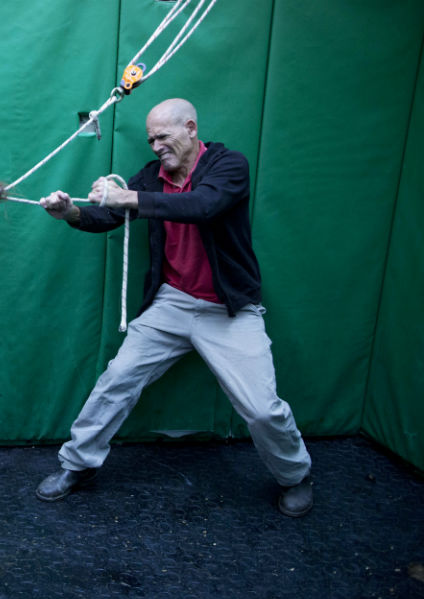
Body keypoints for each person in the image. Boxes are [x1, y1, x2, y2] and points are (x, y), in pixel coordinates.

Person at [36, 98, 313, 517]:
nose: (155, 146)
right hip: (172, 303)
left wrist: (127, 197)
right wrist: (71, 212)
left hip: (229, 310)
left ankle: (295, 476)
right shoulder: (151, 176)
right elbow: (109, 218)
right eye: (150, 139)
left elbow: (203, 206)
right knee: (117, 380)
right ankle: (78, 464)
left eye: (163, 136)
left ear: (190, 128)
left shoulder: (229, 166)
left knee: (260, 408)